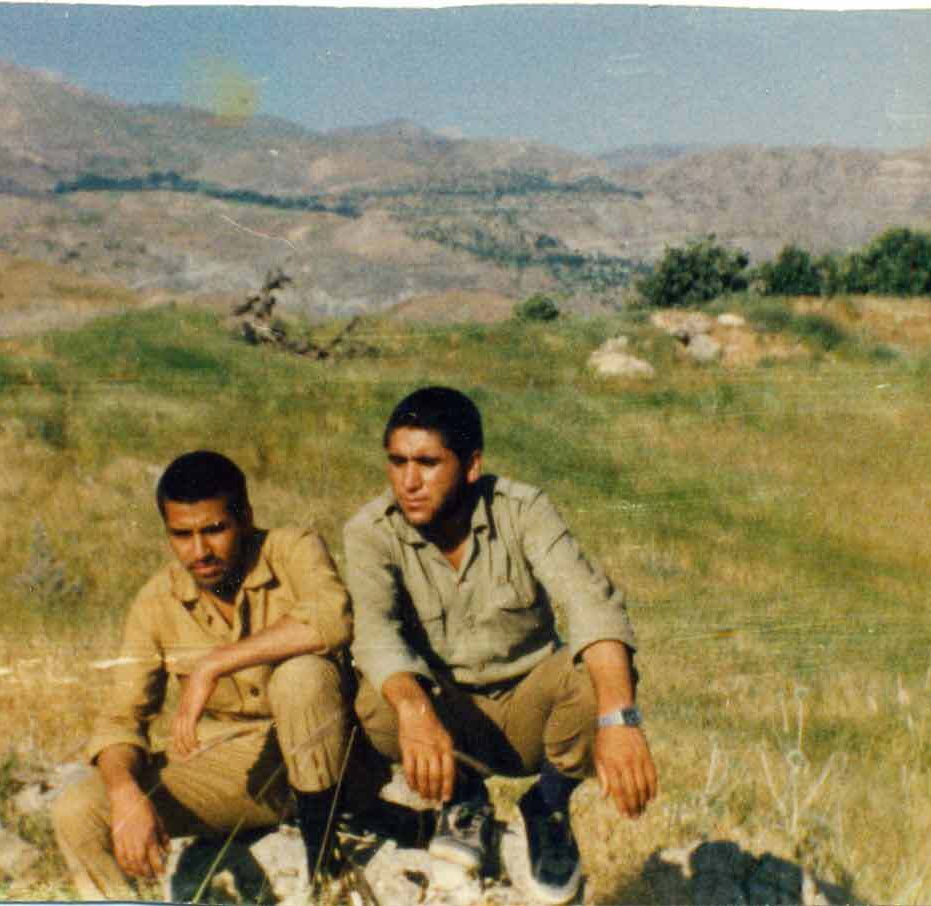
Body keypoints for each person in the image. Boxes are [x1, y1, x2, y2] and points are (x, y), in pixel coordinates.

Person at [344, 387, 657, 905]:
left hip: (528, 712)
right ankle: (464, 800)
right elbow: (375, 632)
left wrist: (619, 719)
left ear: (471, 466)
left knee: (595, 673)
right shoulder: (370, 531)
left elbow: (591, 603)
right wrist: (415, 710)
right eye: (397, 462)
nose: (408, 481)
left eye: (427, 463)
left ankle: (547, 808)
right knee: (377, 698)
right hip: (446, 716)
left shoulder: (523, 510)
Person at [52, 450, 353, 899]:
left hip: (334, 755)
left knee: (301, 675)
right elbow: (121, 719)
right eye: (182, 535)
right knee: (78, 808)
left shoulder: (292, 549)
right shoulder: (157, 601)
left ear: (245, 518)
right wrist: (124, 792)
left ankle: (328, 874)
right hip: (244, 770)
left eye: (214, 529)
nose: (200, 551)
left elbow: (333, 617)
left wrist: (214, 663)